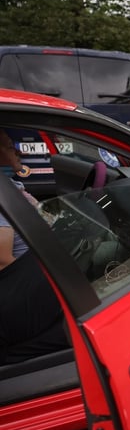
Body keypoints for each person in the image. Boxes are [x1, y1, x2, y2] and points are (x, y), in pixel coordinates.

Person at [0, 131, 69, 365]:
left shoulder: (8, 185)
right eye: (10, 146)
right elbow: (2, 261)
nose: (18, 151)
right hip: (31, 294)